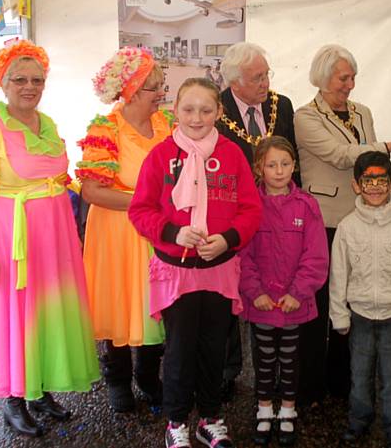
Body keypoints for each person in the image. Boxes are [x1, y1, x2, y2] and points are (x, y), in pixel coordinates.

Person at [0, 40, 100, 437]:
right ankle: (14, 400)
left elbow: (59, 180)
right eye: (19, 79)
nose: (29, 86)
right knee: (16, 315)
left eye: (37, 80)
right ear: (2, 82)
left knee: (47, 314)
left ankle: (40, 389)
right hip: (8, 238)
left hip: (53, 238)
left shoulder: (48, 124)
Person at [128, 78, 262, 448]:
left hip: (219, 271)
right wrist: (172, 232)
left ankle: (210, 417)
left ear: (219, 112)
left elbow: (251, 209)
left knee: (214, 348)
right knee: (180, 350)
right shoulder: (159, 156)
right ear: (175, 110)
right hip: (177, 272)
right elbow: (140, 211)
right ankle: (175, 422)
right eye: (189, 109)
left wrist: (228, 239)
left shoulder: (233, 154)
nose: (197, 117)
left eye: (206, 109)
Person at [294, 44, 391, 405]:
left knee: (349, 304)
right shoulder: (305, 117)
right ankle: (307, 386)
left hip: (355, 221)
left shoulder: (362, 112)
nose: (350, 84)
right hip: (322, 222)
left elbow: (367, 160)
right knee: (318, 305)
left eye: (353, 77)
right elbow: (340, 155)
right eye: (343, 77)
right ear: (323, 79)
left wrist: (380, 153)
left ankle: (343, 383)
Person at [76, 47, 173, 413]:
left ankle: (149, 377)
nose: (161, 94)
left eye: (161, 86)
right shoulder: (106, 128)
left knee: (154, 304)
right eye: (154, 87)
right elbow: (91, 191)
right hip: (117, 233)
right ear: (131, 89)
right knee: (118, 303)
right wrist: (146, 202)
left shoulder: (166, 125)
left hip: (156, 231)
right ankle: (117, 379)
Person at [217, 41, 299, 402]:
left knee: (276, 287)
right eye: (257, 77)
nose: (266, 83)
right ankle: (227, 371)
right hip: (232, 217)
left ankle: (279, 371)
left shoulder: (283, 106)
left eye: (267, 74)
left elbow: (296, 158)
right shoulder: (215, 109)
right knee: (230, 293)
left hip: (278, 214)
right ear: (235, 83)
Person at [329, 151, 391, 448]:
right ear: (356, 185)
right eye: (367, 181)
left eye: (381, 180)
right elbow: (338, 275)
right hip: (358, 317)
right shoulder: (347, 227)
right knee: (359, 376)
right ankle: (359, 420)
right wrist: (339, 315)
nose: (374, 186)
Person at [239, 136, 328, 446]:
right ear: (259, 168)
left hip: (294, 304)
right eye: (271, 165)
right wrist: (255, 292)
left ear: (295, 166)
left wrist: (298, 292)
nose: (279, 171)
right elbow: (242, 255)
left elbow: (316, 256)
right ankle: (264, 409)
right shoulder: (249, 206)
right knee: (263, 360)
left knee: (290, 360)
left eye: (285, 164)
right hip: (261, 303)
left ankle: (287, 411)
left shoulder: (307, 205)